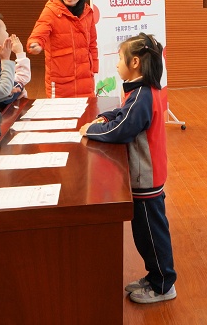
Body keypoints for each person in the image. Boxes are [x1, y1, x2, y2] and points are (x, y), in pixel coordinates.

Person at [79, 33, 175, 304]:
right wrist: (104, 117)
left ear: (135, 62)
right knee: (145, 233)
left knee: (151, 235)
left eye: (120, 58)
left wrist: (91, 130)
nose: (117, 63)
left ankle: (163, 285)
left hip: (146, 178)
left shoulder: (142, 95)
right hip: (146, 175)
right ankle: (155, 276)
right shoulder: (138, 90)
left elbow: (122, 129)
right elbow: (122, 114)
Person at [27, 0, 98, 97]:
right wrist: (35, 43)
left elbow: (92, 43)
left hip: (85, 78)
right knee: (61, 109)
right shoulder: (51, 11)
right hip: (60, 79)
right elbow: (40, 31)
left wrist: (94, 67)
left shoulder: (88, 12)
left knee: (86, 108)